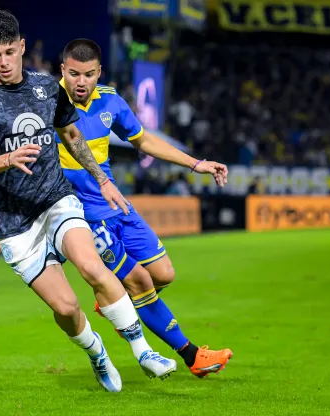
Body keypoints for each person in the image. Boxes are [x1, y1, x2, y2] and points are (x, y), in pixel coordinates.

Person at [0, 11, 175, 393]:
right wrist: (8, 158)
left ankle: (144, 352)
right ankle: (97, 353)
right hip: (16, 224)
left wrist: (102, 180)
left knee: (92, 266)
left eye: (10, 51)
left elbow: (72, 134)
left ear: (22, 47)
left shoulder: (45, 87)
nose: (4, 62)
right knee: (67, 308)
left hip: (58, 201)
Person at [57, 39, 233, 378]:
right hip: (82, 214)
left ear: (99, 73)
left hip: (115, 202)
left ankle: (113, 299)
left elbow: (143, 140)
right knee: (139, 280)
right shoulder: (48, 102)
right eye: (74, 74)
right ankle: (192, 355)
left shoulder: (110, 100)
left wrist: (195, 164)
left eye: (89, 74)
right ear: (63, 70)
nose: (81, 82)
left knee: (164, 273)